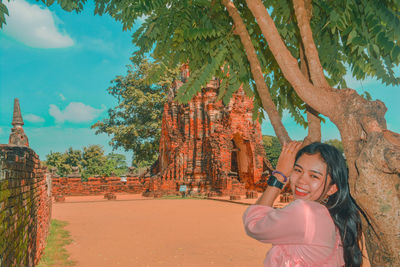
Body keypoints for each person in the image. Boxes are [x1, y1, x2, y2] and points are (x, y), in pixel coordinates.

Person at [243, 142, 365, 266]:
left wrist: (279, 175)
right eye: (298, 170)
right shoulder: (333, 219)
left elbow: (254, 224)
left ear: (332, 189)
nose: (301, 180)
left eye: (314, 176)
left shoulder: (304, 212)